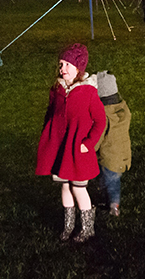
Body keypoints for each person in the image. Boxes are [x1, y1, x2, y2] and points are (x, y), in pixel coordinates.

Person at [36, 44, 107, 243]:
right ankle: (68, 225)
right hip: (60, 148)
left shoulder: (88, 92)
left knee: (78, 187)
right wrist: (47, 136)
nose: (62, 69)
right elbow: (50, 114)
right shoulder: (57, 90)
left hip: (78, 150)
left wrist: (89, 142)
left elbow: (101, 120)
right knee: (65, 187)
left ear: (78, 68)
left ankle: (87, 228)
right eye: (61, 64)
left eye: (67, 64)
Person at [94, 71, 131, 217]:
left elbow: (99, 135)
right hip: (123, 153)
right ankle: (110, 202)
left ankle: (113, 205)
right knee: (113, 180)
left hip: (109, 156)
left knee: (110, 181)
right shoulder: (123, 110)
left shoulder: (104, 115)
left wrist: (91, 148)